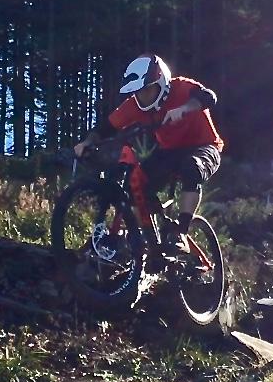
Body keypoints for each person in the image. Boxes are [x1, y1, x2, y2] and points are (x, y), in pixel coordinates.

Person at [74, 54, 224, 253]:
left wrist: (185, 108)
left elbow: (208, 97)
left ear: (161, 82)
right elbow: (106, 127)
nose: (142, 96)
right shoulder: (135, 105)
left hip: (205, 146)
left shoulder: (181, 87)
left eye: (147, 89)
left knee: (192, 167)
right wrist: (87, 142)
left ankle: (181, 232)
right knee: (136, 186)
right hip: (169, 151)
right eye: (138, 92)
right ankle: (150, 241)